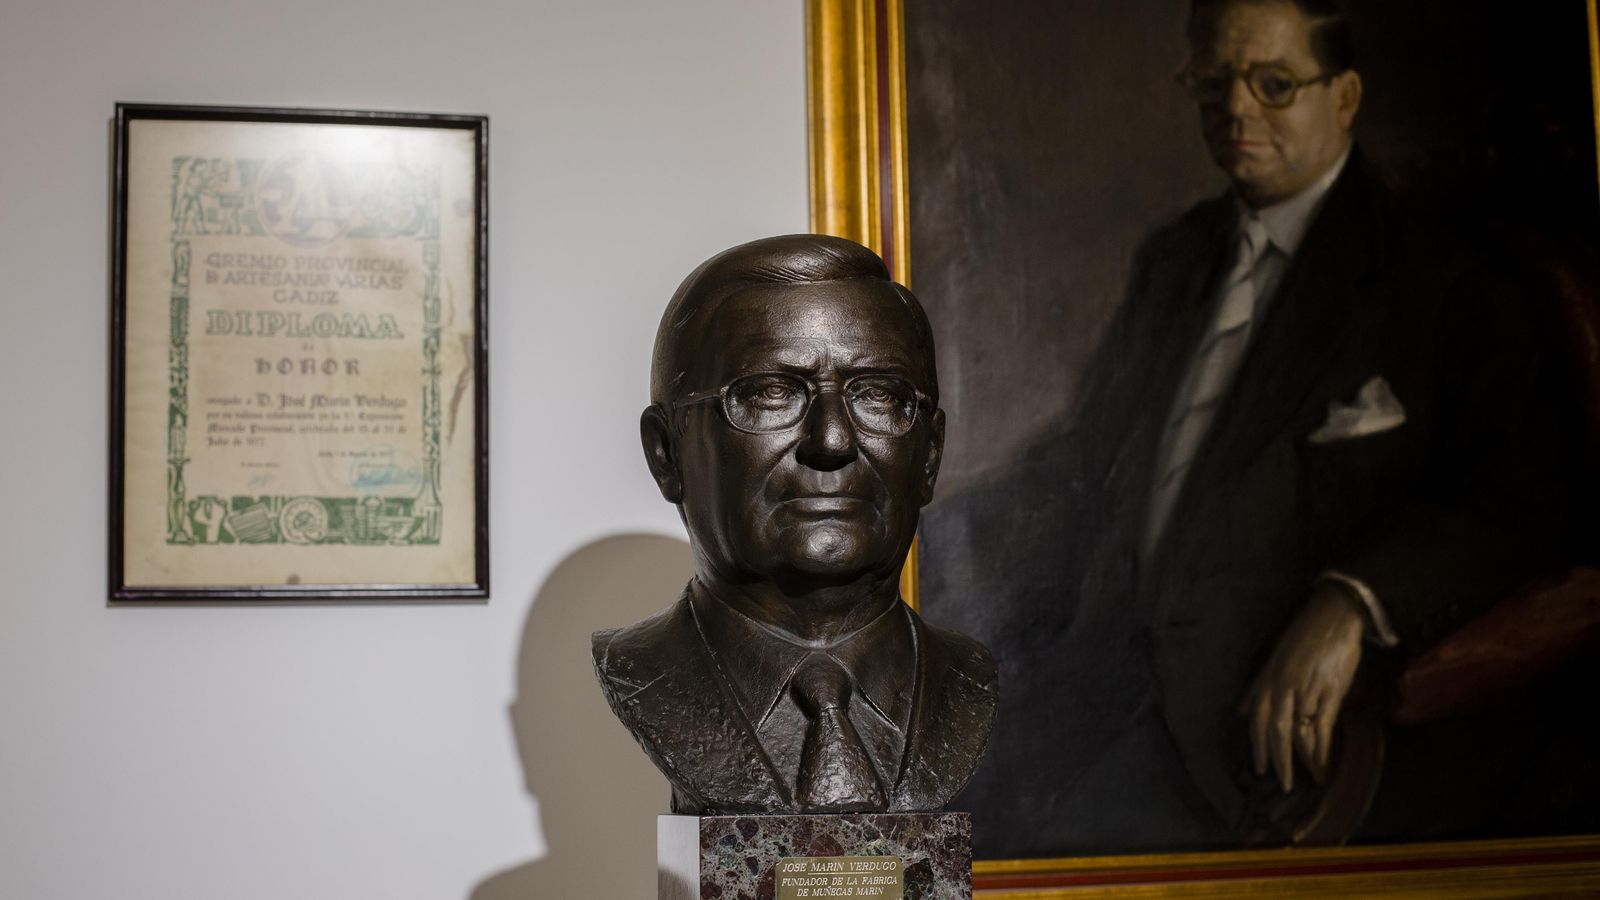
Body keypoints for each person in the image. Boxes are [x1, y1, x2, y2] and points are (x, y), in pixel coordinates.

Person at [924, 0, 1577, 855]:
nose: (1236, 111)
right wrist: (925, 534)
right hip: (1093, 688)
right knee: (893, 848)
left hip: (1256, 739)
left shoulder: (1438, 278)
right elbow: (1087, 463)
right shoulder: (1178, 259)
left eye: (1273, 84)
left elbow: (1524, 497)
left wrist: (1354, 601)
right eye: (1214, 84)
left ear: (1344, 97)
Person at [592, 234, 997, 815]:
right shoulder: (644, 674)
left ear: (930, 455)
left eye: (879, 395)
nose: (832, 439)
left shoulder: (966, 683)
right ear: (667, 455)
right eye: (771, 393)